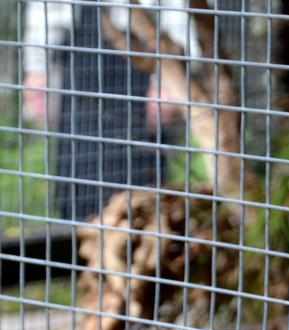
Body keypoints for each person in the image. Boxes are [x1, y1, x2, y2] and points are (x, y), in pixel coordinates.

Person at [23, 0, 197, 221]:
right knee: (76, 181)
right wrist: (37, 65)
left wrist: (169, 79)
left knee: (142, 191)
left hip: (142, 54)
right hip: (79, 54)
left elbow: (180, 9)